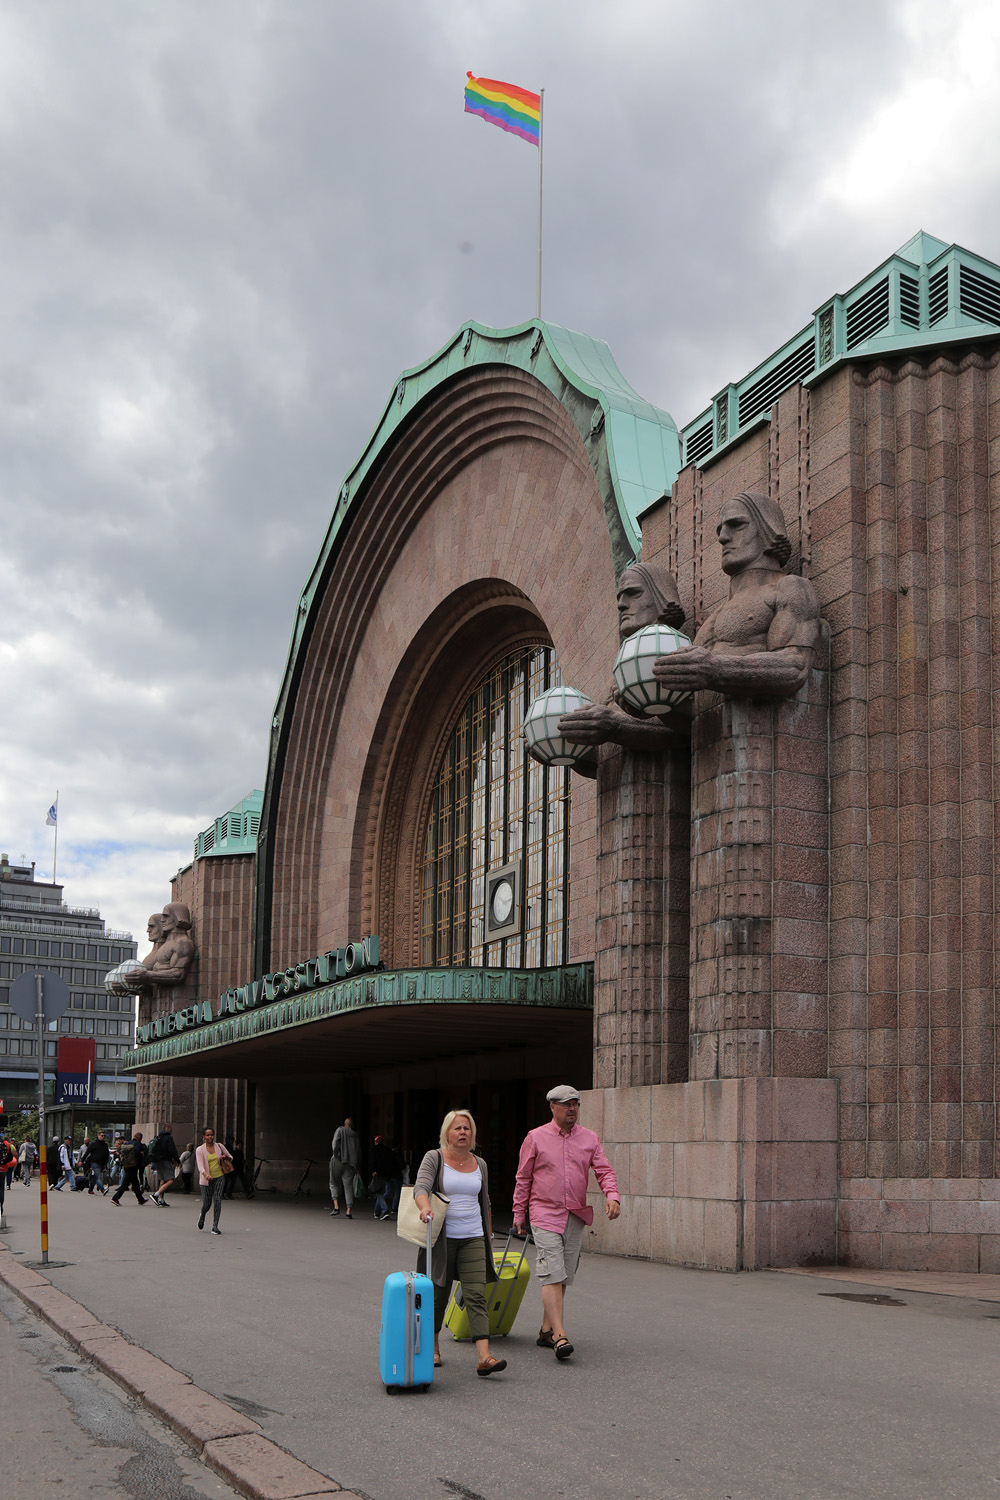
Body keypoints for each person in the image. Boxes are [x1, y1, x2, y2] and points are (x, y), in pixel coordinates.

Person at [650, 492, 819, 701]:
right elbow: (696, 705)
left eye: (736, 525)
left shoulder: (789, 588)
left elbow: (795, 667)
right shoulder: (715, 617)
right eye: (720, 529)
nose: (722, 538)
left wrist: (715, 669)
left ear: (768, 529)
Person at [512, 1084, 620, 1361]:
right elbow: (523, 1177)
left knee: (563, 1275)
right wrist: (519, 1213)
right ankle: (560, 1336)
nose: (572, 1109)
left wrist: (612, 1196)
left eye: (576, 1104)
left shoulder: (589, 1138)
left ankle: (546, 1330)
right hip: (544, 1213)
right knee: (552, 1272)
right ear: (552, 1107)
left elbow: (604, 1170)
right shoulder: (535, 1137)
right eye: (566, 1104)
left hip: (575, 1215)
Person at [414, 1109, 507, 1378]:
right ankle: (432, 1348)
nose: (463, 1132)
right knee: (438, 1295)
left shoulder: (480, 1164)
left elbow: (484, 1201)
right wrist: (424, 1207)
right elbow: (421, 1188)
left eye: (467, 1128)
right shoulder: (434, 1158)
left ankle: (484, 1357)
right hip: (442, 1238)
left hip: (473, 1237)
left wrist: (489, 1233)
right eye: (457, 1128)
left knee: (476, 1295)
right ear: (447, 1133)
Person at [195, 1126, 233, 1234]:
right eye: (208, 1135)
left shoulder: (219, 1146)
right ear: (204, 1137)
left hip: (219, 1177)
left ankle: (215, 1226)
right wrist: (206, 1175)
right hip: (206, 1180)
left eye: (212, 1135)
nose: (210, 1137)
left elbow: (230, 1157)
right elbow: (200, 1166)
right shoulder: (199, 1150)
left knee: (217, 1200)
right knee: (207, 1203)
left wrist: (225, 1157)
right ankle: (202, 1215)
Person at [328, 1116, 360, 1219]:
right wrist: (357, 1165)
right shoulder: (355, 1135)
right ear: (352, 1126)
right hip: (350, 1164)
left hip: (338, 1160)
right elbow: (358, 1152)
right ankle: (348, 1210)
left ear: (345, 1124)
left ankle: (336, 1206)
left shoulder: (340, 1130)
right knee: (348, 1186)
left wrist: (336, 1155)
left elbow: (335, 1143)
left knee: (333, 1182)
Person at [111, 1131, 148, 1206]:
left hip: (126, 1165)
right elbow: (137, 1152)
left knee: (135, 1183)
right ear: (139, 1138)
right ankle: (115, 1198)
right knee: (125, 1184)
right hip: (133, 1165)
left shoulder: (128, 1143)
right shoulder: (137, 1144)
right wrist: (141, 1155)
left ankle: (140, 1199)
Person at [149, 1123, 182, 1206]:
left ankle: (161, 1200)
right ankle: (155, 1195)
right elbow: (172, 1150)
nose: (172, 1130)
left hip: (157, 1161)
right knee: (171, 1180)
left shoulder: (158, 1137)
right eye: (171, 1128)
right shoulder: (169, 1137)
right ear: (167, 1128)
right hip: (165, 1161)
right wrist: (177, 1161)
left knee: (163, 1180)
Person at [368, 1135, 396, 1220]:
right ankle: (376, 1212)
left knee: (378, 1192)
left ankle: (385, 1210)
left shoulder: (373, 1149)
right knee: (380, 1191)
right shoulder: (387, 1150)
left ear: (375, 1141)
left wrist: (372, 1171)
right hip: (386, 1173)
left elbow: (372, 1161)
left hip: (377, 1172)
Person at [79, 1131, 111, 1195]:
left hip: (102, 1164)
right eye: (102, 1135)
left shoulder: (105, 1145)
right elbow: (87, 1153)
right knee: (98, 1177)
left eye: (104, 1136)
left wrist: (107, 1163)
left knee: (95, 1177)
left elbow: (107, 1155)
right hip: (95, 1163)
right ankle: (103, 1189)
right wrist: (81, 1161)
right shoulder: (93, 1144)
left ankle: (90, 1190)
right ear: (98, 1136)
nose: (103, 1137)